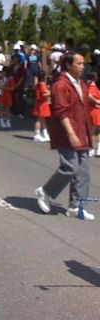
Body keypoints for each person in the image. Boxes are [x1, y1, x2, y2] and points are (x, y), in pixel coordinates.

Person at [35, 53, 94, 220]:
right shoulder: (60, 85)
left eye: (83, 63)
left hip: (82, 131)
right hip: (67, 133)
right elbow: (61, 112)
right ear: (68, 65)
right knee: (70, 168)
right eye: (79, 63)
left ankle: (76, 207)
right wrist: (71, 134)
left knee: (83, 172)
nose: (82, 66)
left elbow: (84, 98)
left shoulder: (80, 83)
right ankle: (45, 191)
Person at [32, 70, 51, 142]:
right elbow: (44, 93)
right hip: (42, 103)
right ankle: (37, 134)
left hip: (40, 103)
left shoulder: (38, 84)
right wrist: (50, 93)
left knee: (42, 119)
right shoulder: (42, 84)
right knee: (39, 119)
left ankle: (45, 134)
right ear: (44, 76)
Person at [87, 73, 100, 157]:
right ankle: (93, 149)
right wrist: (97, 101)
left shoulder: (92, 86)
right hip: (94, 110)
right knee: (94, 130)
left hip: (94, 110)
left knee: (93, 130)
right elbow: (89, 95)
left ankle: (94, 149)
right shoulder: (92, 86)